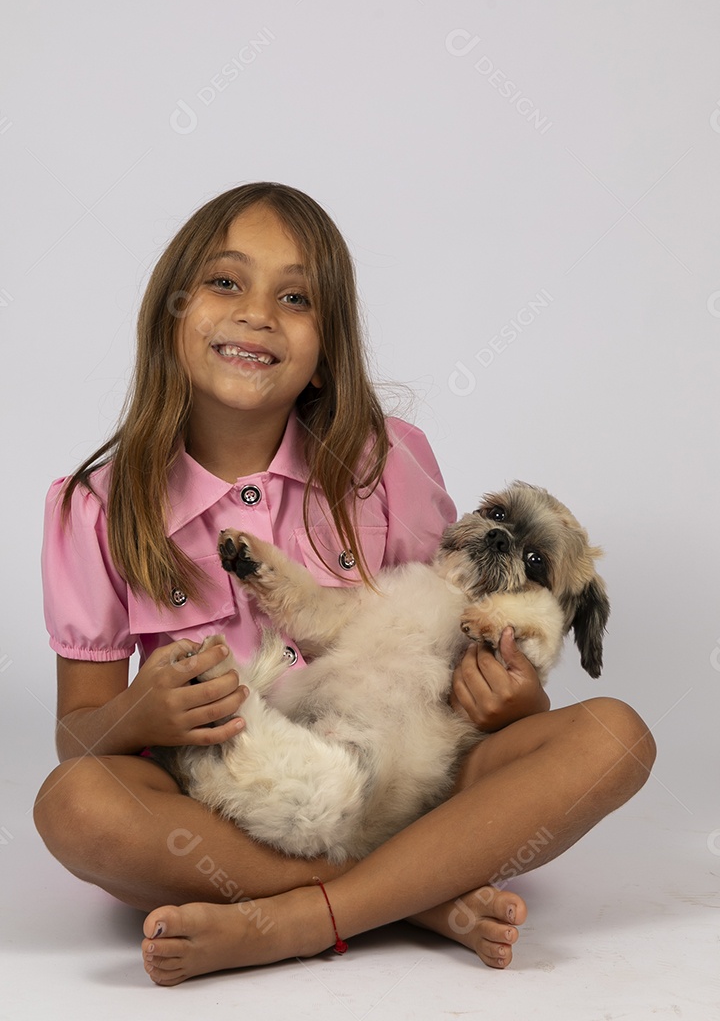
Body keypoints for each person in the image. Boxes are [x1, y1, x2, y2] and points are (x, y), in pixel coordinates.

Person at [34, 182, 656, 986]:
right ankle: (409, 899)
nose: (257, 313)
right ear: (171, 312)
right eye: (227, 282)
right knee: (75, 802)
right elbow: (78, 735)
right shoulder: (93, 508)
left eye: (295, 297)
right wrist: (138, 712)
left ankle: (292, 919)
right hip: (220, 804)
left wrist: (516, 704)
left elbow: (448, 635)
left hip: (406, 784)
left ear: (327, 350)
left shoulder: (386, 459)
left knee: (617, 738)